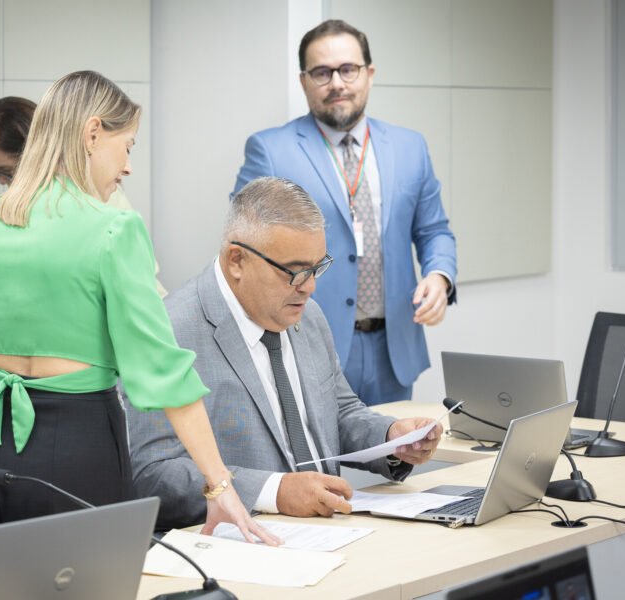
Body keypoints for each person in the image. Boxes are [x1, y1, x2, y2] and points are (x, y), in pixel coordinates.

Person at [0, 70, 277, 577]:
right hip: (77, 444)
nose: (128, 166)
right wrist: (219, 487)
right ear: (93, 133)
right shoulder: (113, 231)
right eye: (128, 146)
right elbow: (164, 375)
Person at [126, 177, 443, 530]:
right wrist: (274, 492)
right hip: (244, 540)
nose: (310, 286)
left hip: (332, 530)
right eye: (294, 271)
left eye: (317, 267)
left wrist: (390, 437)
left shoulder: (307, 314)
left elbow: (338, 411)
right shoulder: (168, 332)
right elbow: (152, 473)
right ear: (236, 260)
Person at [232, 19, 457, 406]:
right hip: (306, 342)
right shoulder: (271, 150)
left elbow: (434, 230)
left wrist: (439, 276)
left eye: (348, 69)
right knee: (321, 449)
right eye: (322, 72)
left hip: (394, 348)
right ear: (304, 81)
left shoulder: (410, 147)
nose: (337, 83)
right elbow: (244, 244)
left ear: (369, 74)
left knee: (393, 445)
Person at [0, 96, 169, 390]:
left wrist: (4, 357)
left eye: (7, 172)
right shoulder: (22, 209)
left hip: (121, 358)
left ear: (38, 154)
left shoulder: (100, 206)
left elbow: (74, 307)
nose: (2, 182)